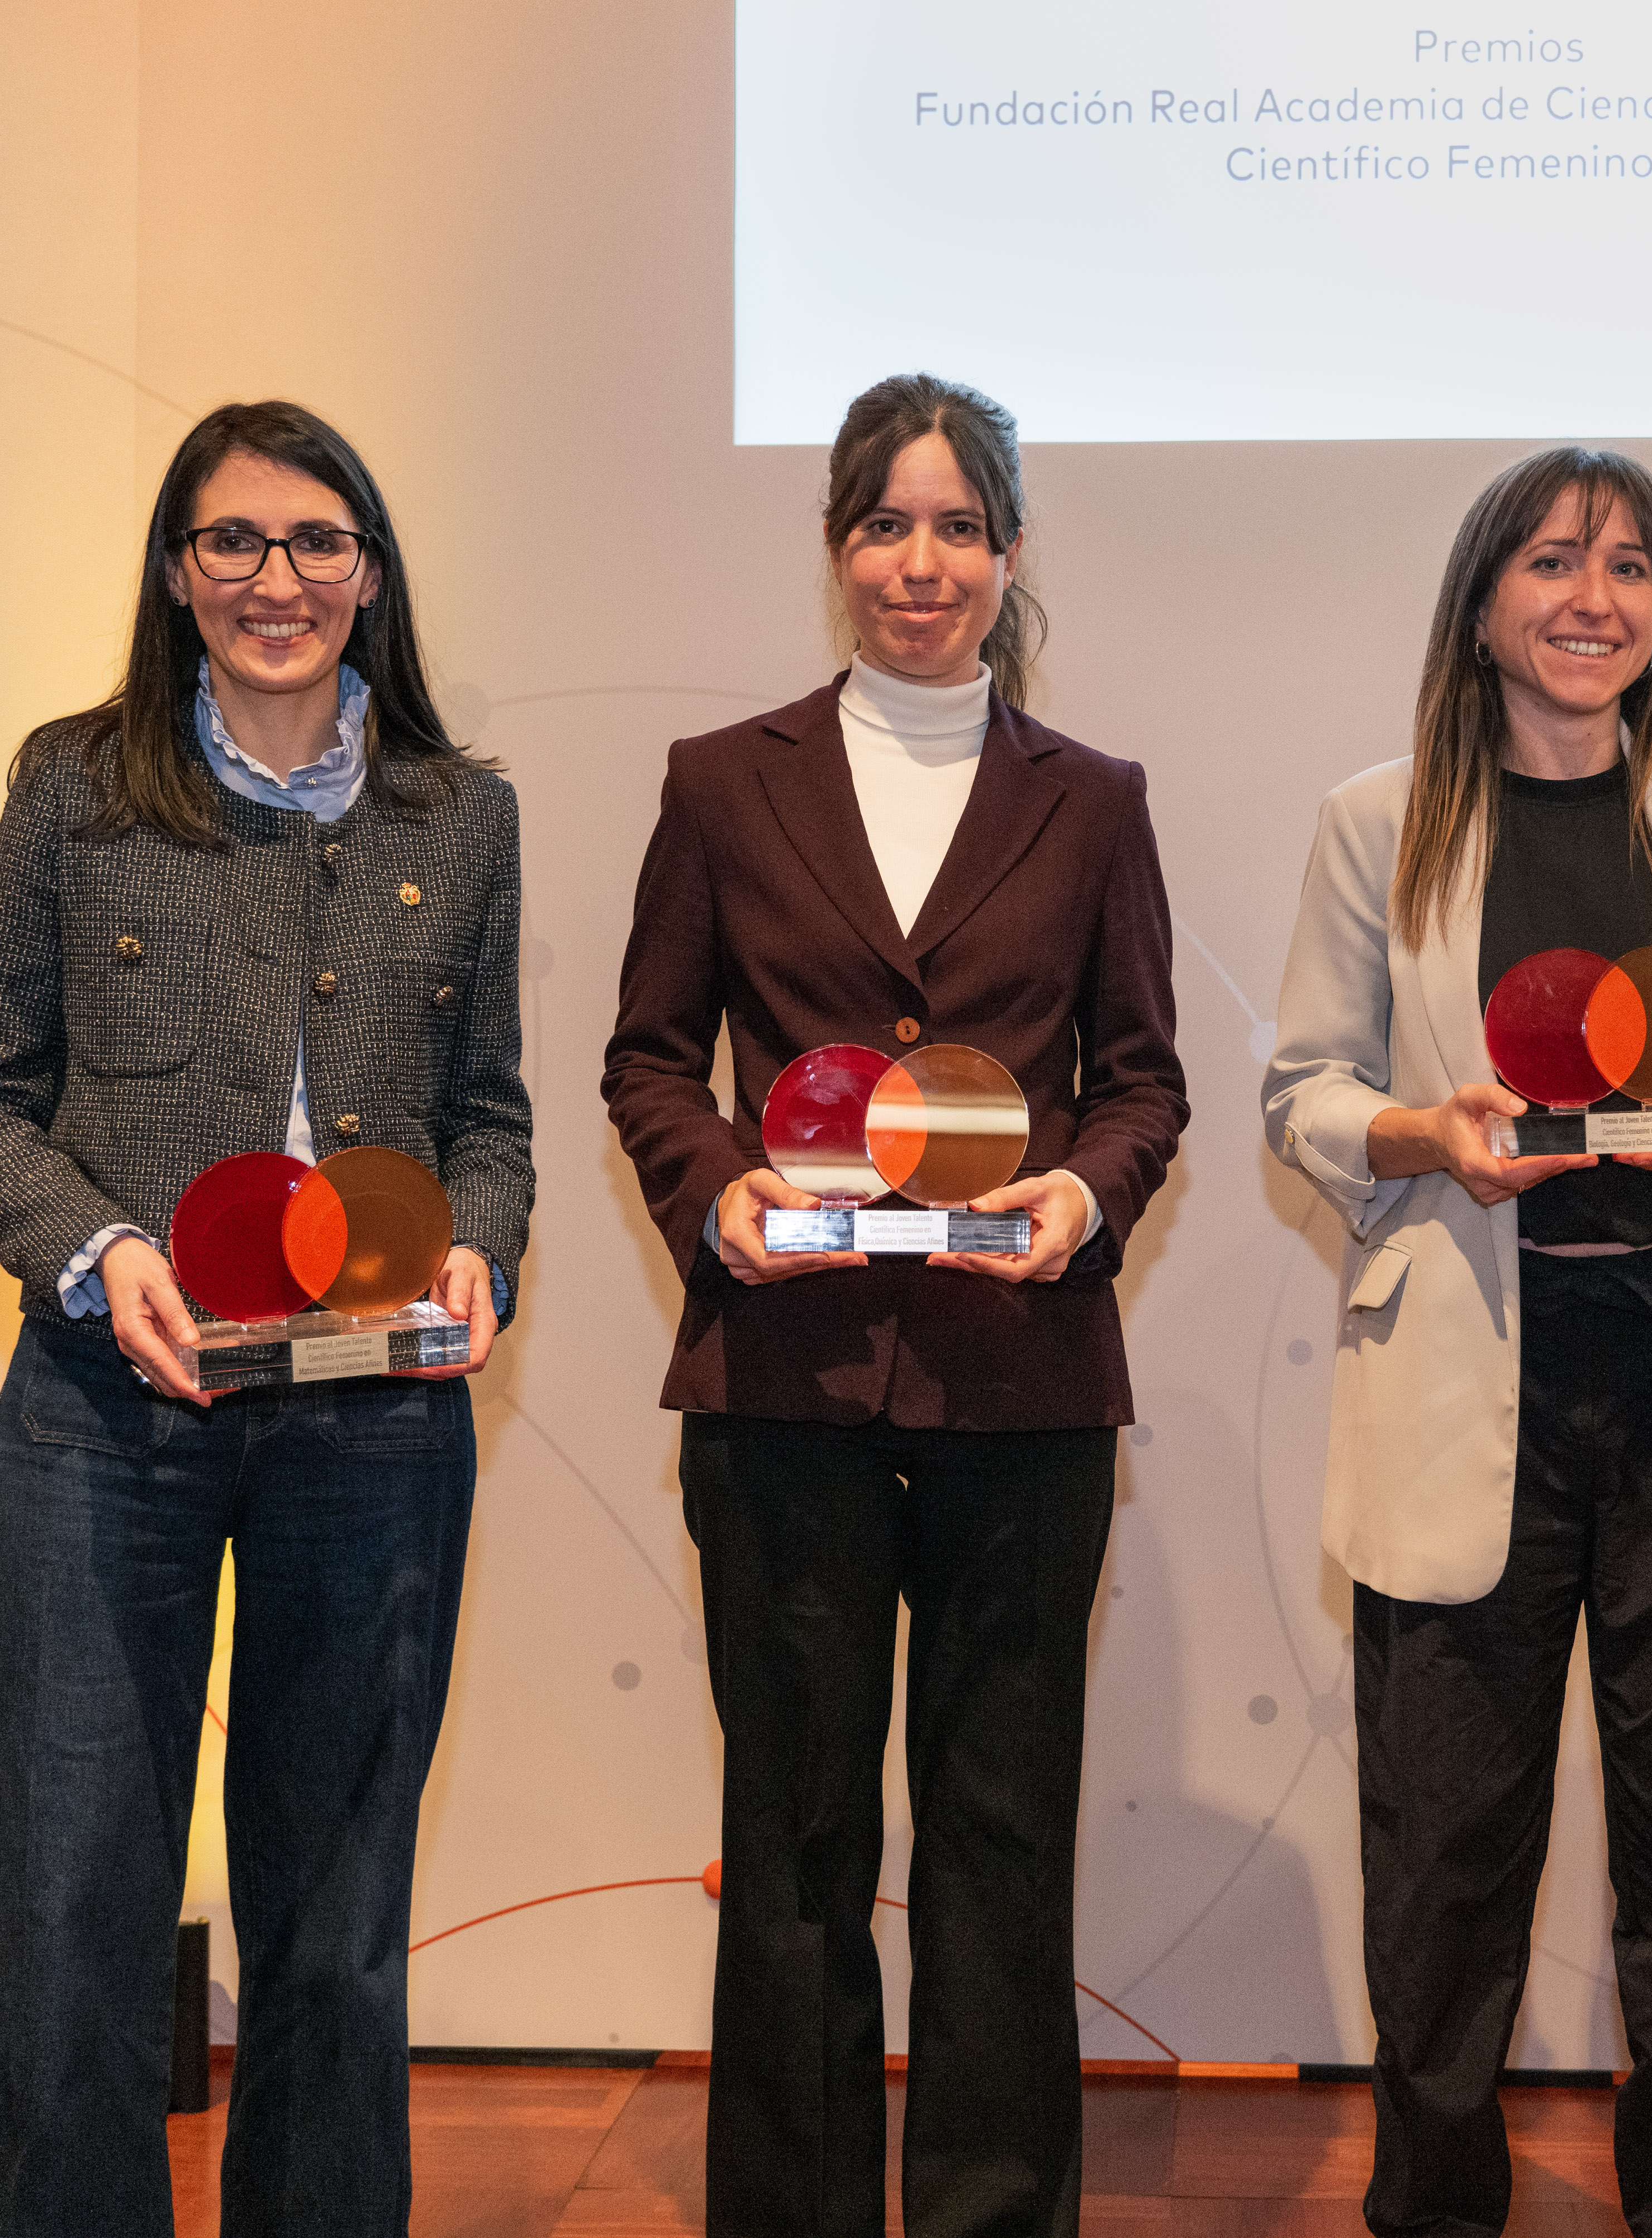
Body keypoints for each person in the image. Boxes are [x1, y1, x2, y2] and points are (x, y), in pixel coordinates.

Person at [0, 400, 530, 2236]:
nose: (278, 580)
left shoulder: (462, 810)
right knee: (68, 1898)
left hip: (376, 1425)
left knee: (337, 1923)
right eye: (234, 543)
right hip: (109, 1420)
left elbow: (485, 1116)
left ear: (372, 571)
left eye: (317, 542)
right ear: (179, 576)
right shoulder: (74, 786)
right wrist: (101, 1251)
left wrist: (481, 1242)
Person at [601, 372, 1188, 2238]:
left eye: (955, 525)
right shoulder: (722, 779)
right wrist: (722, 1191)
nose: (918, 562)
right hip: (783, 1381)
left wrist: (1084, 1194)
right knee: (791, 1845)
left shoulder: (1092, 800)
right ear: (836, 545)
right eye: (882, 523)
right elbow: (646, 1061)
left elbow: (1146, 1081)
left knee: (1002, 1848)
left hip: (1023, 1389)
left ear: (1007, 555)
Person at [1264, 447, 1652, 2238]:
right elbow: (1303, 1092)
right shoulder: (1385, 817)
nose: (1593, 597)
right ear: (1483, 598)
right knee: (1447, 1867)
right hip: (1471, 1387)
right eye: (1552, 561)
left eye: (1629, 567)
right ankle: (1434, 2209)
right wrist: (1424, 1135)